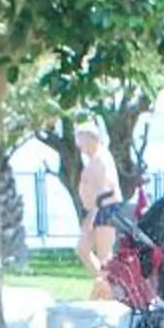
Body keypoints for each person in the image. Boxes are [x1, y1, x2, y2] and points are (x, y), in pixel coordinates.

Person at [69, 126, 128, 295]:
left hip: (106, 210)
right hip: (98, 210)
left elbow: (106, 188)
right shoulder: (94, 159)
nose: (79, 147)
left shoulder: (102, 158)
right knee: (82, 249)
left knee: (104, 255)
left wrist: (93, 213)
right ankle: (105, 285)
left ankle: (107, 289)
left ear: (91, 139)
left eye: (81, 142)